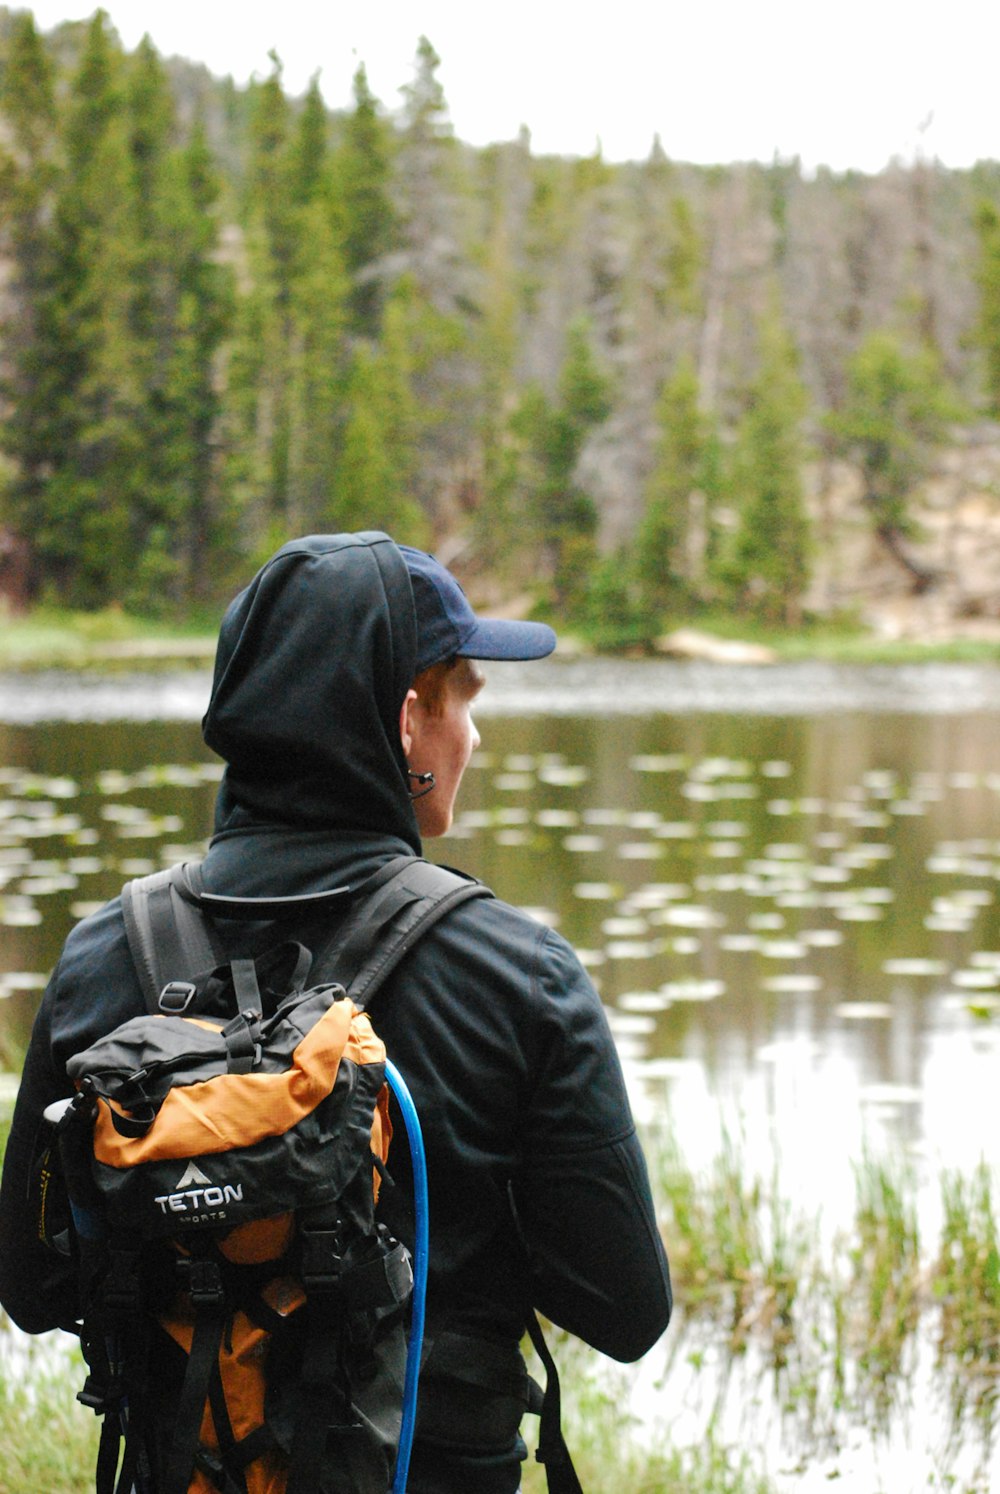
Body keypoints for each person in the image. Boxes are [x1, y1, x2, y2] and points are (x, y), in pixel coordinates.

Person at [0, 530, 672, 1492]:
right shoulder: (518, 974)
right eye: (466, 701)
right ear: (406, 721)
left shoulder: (101, 958)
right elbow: (626, 1310)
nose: (474, 735)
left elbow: (31, 1291)